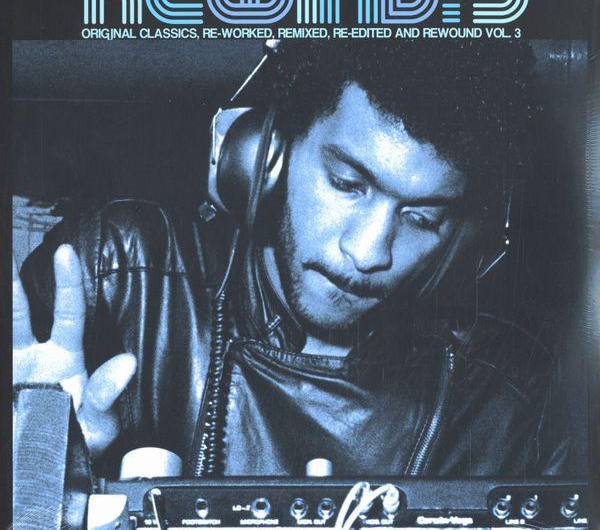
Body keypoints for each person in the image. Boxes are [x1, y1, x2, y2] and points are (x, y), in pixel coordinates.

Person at [13, 39, 573, 478]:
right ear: (266, 157)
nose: (368, 253)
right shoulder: (116, 273)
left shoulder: (509, 404)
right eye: (347, 183)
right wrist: (40, 465)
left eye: (422, 218)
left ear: (461, 242)